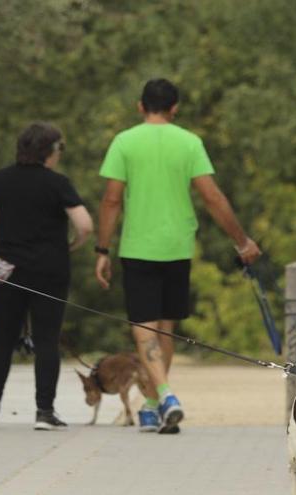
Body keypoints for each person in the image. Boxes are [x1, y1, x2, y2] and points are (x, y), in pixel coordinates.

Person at [94, 78, 261, 434]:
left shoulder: (124, 142)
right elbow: (212, 197)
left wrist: (102, 248)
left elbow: (110, 200)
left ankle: (165, 396)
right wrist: (242, 241)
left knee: (144, 328)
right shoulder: (189, 143)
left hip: (138, 246)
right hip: (177, 247)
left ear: (140, 107)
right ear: (174, 109)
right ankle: (152, 406)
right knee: (166, 328)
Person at [0, 122, 93, 430]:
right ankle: (44, 412)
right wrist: (71, 247)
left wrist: (6, 244)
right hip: (49, 270)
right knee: (47, 340)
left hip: (6, 268)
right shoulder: (58, 183)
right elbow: (84, 226)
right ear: (50, 151)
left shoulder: (1, 179)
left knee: (2, 338)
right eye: (60, 149)